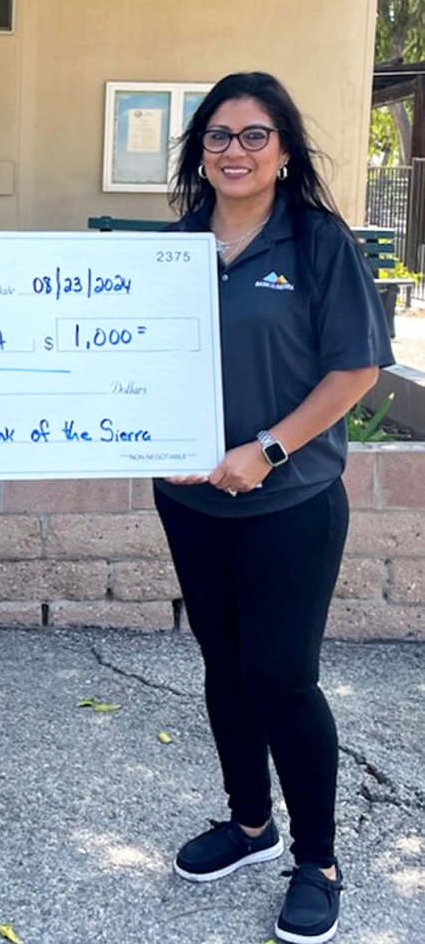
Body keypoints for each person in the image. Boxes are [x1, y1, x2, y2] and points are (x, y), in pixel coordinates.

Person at [155, 72, 393, 943]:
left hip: (290, 500)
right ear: (199, 153)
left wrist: (267, 450)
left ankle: (318, 859)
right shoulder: (172, 250)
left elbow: (356, 370)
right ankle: (251, 826)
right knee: (224, 666)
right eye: (218, 136)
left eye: (255, 135)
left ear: (285, 150)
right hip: (192, 503)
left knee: (282, 678)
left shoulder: (318, 241)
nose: (235, 151)